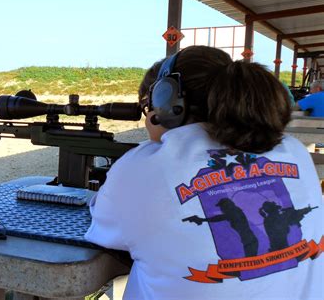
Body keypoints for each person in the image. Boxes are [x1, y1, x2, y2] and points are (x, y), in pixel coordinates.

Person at [84, 46, 323, 300]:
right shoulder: (294, 151)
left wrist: (160, 139)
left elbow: (105, 228)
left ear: (167, 103)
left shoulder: (144, 167)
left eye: (148, 106)